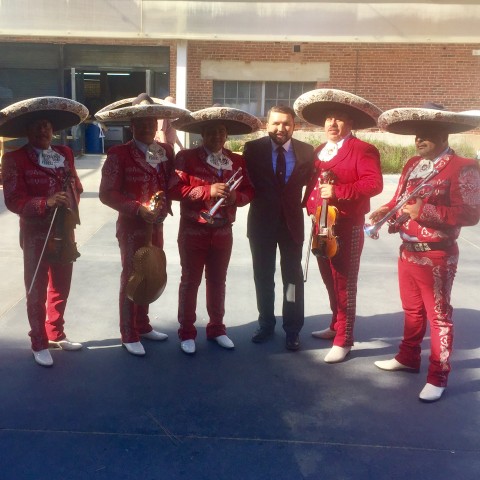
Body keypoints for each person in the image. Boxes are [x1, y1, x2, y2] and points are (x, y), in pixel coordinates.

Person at [370, 104, 480, 402]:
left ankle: (438, 374)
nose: (419, 139)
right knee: (412, 311)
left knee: (440, 317)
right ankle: (408, 358)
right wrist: (384, 212)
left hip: (437, 256)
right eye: (417, 134)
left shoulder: (464, 166)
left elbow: (471, 214)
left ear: (444, 133)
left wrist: (425, 211)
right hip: (407, 250)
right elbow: (398, 199)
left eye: (427, 134)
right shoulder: (412, 164)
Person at [294, 89, 383, 363]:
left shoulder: (363, 149)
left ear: (351, 123)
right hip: (321, 225)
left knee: (345, 283)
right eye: (329, 119)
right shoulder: (321, 151)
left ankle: (344, 338)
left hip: (346, 227)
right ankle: (335, 325)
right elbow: (314, 186)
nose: (332, 124)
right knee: (328, 279)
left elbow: (373, 184)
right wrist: (310, 208)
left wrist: (338, 191)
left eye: (340, 118)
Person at [97, 93, 189, 356]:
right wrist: (137, 209)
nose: (147, 127)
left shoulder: (166, 152)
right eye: (141, 123)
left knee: (151, 271)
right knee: (132, 275)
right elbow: (107, 193)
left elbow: (172, 184)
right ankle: (128, 332)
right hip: (131, 226)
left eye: (151, 122)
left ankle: (143, 324)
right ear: (132, 125)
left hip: (156, 225)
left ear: (157, 123)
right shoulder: (119, 154)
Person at [0, 96, 89, 367]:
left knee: (62, 284)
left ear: (53, 130)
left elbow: (76, 185)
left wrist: (71, 194)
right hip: (35, 233)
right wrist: (45, 202)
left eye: (47, 126)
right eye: (37, 126)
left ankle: (56, 332)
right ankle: (38, 340)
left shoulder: (65, 154)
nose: (43, 131)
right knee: (36, 287)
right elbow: (13, 200)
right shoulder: (14, 158)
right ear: (28, 130)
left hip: (65, 229)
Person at [169, 107, 260, 354]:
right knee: (190, 281)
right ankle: (186, 332)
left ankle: (217, 328)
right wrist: (206, 192)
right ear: (202, 134)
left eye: (221, 132)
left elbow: (250, 191)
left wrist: (235, 197)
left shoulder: (237, 160)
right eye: (210, 132)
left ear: (227, 135)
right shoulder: (186, 157)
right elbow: (174, 190)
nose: (216, 136)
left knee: (218, 282)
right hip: (193, 230)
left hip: (223, 231)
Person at [243, 105, 314, 351]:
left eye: (286, 123)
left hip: (292, 225)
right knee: (263, 277)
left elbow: (313, 186)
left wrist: (312, 208)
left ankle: (292, 329)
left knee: (292, 280)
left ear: (294, 126)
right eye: (275, 123)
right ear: (267, 124)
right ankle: (266, 323)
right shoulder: (252, 150)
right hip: (261, 224)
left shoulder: (306, 152)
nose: (280, 128)